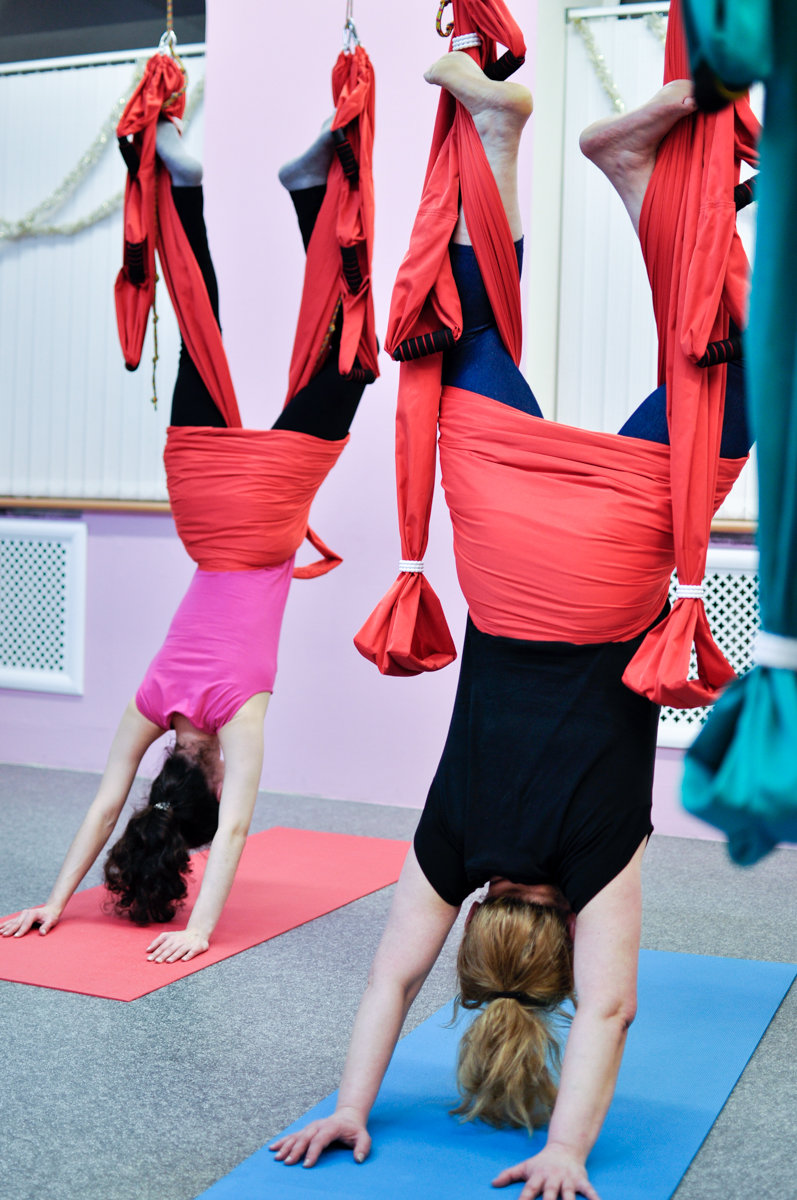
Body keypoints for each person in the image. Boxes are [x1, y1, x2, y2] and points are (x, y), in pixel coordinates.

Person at [270, 53, 751, 1200]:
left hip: (617, 563)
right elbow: (389, 982)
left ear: (558, 948)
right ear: (478, 922)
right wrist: (347, 1105)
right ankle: (502, 140)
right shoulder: (455, 845)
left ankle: (644, 185)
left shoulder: (595, 860)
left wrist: (567, 1149)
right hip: (498, 541)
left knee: (727, 386)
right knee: (473, 340)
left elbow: (614, 1009)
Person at [0, 119, 369, 964]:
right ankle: (188, 188)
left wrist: (202, 927)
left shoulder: (242, 712)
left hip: (263, 517)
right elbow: (106, 805)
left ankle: (312, 194)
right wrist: (53, 900)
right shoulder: (152, 700)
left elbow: (235, 826)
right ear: (168, 772)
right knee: (200, 332)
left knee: (348, 361)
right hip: (199, 509)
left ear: (207, 779)